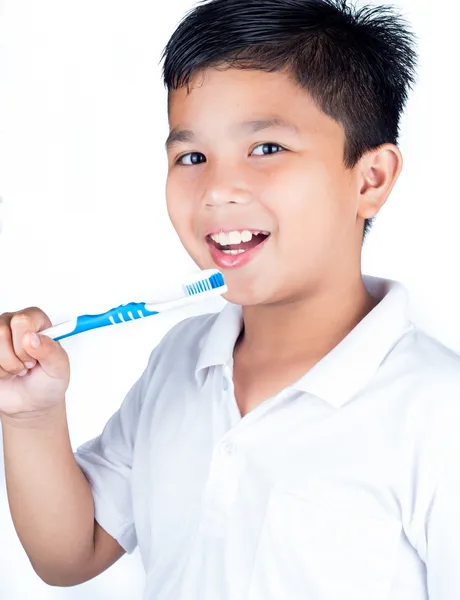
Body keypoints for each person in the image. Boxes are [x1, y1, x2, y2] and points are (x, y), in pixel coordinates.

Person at [1, 1, 460, 598]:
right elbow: (72, 554)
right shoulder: (180, 359)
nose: (217, 190)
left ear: (370, 179)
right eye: (191, 157)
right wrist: (32, 413)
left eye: (267, 148)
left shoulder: (438, 413)